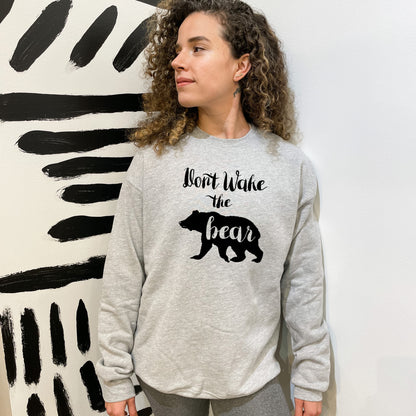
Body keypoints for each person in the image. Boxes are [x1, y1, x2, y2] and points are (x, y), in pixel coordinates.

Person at [96, 0, 330, 415]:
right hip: (164, 374)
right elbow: (123, 274)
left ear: (241, 66)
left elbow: (304, 283)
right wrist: (114, 377)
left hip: (250, 374)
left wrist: (311, 376)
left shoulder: (288, 167)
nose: (177, 61)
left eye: (197, 48)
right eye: (177, 50)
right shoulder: (153, 162)